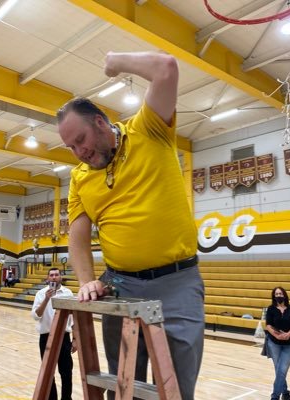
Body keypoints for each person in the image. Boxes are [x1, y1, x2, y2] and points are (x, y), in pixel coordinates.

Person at [57, 51, 204, 400]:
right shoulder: (79, 179)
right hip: (121, 286)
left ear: (101, 123)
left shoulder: (150, 129)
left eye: (80, 140)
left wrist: (114, 61)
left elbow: (166, 69)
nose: (78, 151)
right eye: (70, 147)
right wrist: (86, 281)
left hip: (178, 284)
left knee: (178, 389)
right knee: (126, 390)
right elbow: (77, 240)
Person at [31, 268, 75, 400]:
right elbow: (36, 315)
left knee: (66, 372)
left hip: (64, 337)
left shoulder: (68, 292)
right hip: (46, 337)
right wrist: (46, 299)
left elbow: (73, 317)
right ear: (47, 278)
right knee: (49, 373)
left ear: (61, 277)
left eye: (57, 275)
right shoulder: (40, 293)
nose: (54, 277)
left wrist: (76, 339)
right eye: (51, 275)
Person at [265, 287, 290, 400]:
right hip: (274, 343)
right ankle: (285, 393)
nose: (278, 295)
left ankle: (274, 397)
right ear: (274, 296)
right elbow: (268, 325)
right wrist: (276, 335)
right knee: (279, 369)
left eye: (280, 293)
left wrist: (288, 334)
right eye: (276, 294)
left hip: (289, 344)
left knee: (282, 369)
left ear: (284, 295)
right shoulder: (270, 309)